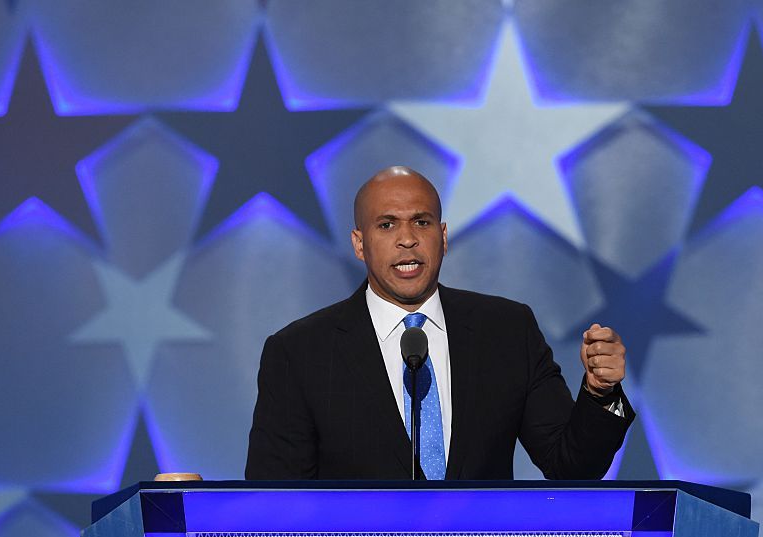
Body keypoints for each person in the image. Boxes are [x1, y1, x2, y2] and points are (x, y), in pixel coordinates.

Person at [245, 166, 633, 480]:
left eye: (422, 222)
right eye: (386, 225)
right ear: (359, 243)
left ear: (443, 237)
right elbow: (275, 503)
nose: (407, 240)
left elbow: (571, 468)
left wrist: (599, 393)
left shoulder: (507, 331)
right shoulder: (300, 353)